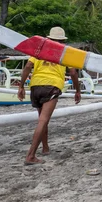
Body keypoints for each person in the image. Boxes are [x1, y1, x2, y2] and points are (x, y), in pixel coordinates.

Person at [18, 27, 81, 165]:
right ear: (62, 41)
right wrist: (77, 90)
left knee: (42, 119)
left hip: (36, 86)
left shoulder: (39, 50)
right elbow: (74, 73)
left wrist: (21, 86)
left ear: (50, 38)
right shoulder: (65, 52)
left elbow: (28, 66)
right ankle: (30, 156)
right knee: (43, 120)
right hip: (51, 86)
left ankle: (45, 148)